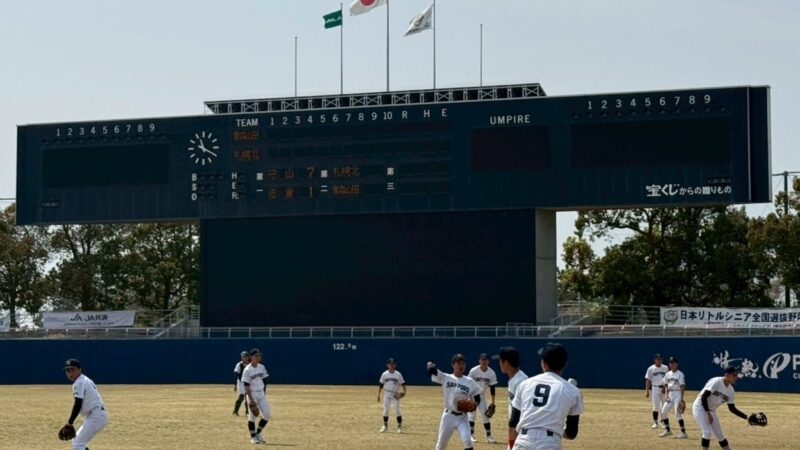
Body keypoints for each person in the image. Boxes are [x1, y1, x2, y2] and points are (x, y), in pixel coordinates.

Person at [509, 343, 583, 450]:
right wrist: (556, 429)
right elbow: (571, 433)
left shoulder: (525, 384)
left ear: (543, 363)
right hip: (550, 443)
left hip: (523, 440)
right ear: (565, 364)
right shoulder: (573, 391)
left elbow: (513, 421)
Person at [428, 354, 484, 450]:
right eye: (458, 363)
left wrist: (475, 404)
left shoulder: (469, 381)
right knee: (441, 446)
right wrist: (430, 365)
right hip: (448, 417)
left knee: (468, 441)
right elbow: (432, 371)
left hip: (462, 418)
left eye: (463, 363)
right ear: (453, 365)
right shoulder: (446, 377)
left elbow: (477, 396)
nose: (461, 366)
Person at [692, 366, 752, 450]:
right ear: (727, 375)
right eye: (734, 375)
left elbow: (732, 409)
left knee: (720, 435)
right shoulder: (716, 381)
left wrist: (747, 417)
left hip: (711, 410)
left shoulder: (731, 390)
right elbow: (704, 398)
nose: (736, 377)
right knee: (707, 432)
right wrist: (708, 413)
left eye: (736, 375)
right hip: (700, 407)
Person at [63, 358, 108, 450]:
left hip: (96, 416)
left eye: (73, 370)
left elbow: (78, 403)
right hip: (97, 415)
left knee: (77, 443)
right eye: (68, 370)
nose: (70, 373)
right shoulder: (85, 379)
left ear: (80, 369)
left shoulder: (78, 383)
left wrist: (70, 423)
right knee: (77, 442)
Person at [495, 346, 527, 450]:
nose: (499, 364)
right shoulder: (514, 379)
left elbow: (520, 413)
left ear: (506, 363)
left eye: (500, 361)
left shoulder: (520, 381)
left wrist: (512, 442)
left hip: (521, 432)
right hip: (518, 431)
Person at [242, 348, 272, 445]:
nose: (259, 357)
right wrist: (250, 399)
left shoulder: (262, 367)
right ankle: (253, 437)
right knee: (252, 417)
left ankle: (258, 433)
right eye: (257, 355)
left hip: (261, 393)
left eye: (259, 355)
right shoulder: (247, 370)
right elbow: (246, 385)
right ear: (251, 357)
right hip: (252, 394)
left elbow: (264, 381)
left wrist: (264, 393)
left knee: (267, 415)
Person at [467, 353, 499, 443]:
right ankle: (471, 435)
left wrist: (493, 402)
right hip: (472, 395)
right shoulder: (474, 370)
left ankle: (489, 436)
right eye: (482, 360)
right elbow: (468, 383)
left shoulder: (491, 373)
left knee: (485, 416)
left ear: (488, 361)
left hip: (481, 395)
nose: (484, 361)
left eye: (486, 360)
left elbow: (492, 388)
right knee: (472, 415)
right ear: (479, 361)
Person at [659, 356, 687, 439]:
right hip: (670, 394)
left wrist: (682, 399)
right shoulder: (668, 374)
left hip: (677, 393)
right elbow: (664, 383)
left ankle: (683, 433)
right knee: (663, 412)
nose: (672, 364)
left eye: (674, 363)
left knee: (677, 413)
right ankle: (668, 430)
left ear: (677, 364)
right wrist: (664, 389)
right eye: (670, 363)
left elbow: (682, 386)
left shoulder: (680, 374)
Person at [377, 357, 406, 433]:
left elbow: (403, 383)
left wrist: (404, 392)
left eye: (393, 364)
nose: (392, 365)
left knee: (397, 410)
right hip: (387, 394)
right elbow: (381, 384)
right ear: (387, 365)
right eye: (390, 364)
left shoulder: (398, 374)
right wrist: (378, 394)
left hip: (395, 394)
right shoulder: (384, 374)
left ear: (395, 365)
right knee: (386, 410)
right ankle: (385, 426)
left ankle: (399, 426)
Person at [644, 353, 668, 429]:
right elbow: (648, 380)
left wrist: (666, 387)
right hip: (655, 388)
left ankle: (663, 422)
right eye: (657, 359)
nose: (659, 360)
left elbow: (668, 378)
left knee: (664, 406)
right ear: (654, 360)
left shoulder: (665, 368)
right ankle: (655, 423)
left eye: (660, 359)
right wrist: (647, 390)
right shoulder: (650, 369)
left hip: (663, 388)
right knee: (655, 406)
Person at [233, 350, 251, 416]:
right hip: (240, 383)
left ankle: (247, 412)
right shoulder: (239, 364)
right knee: (241, 397)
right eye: (243, 357)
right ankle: (235, 411)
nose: (244, 358)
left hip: (248, 383)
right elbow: (237, 374)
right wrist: (235, 385)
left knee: (248, 398)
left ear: (248, 357)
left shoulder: (250, 365)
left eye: (246, 356)